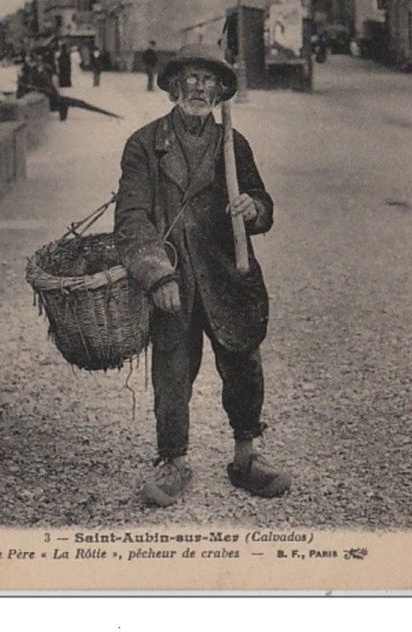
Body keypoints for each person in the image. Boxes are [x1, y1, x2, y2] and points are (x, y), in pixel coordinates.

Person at [114, 43, 291, 507]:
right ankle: (172, 461)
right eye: (190, 78)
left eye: (209, 80)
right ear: (173, 86)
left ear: (220, 91)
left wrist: (253, 208)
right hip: (174, 280)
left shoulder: (234, 144)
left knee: (243, 363)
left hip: (227, 274)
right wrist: (156, 274)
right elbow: (132, 218)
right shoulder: (145, 144)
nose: (198, 87)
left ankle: (246, 454)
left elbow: (264, 205)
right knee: (172, 368)